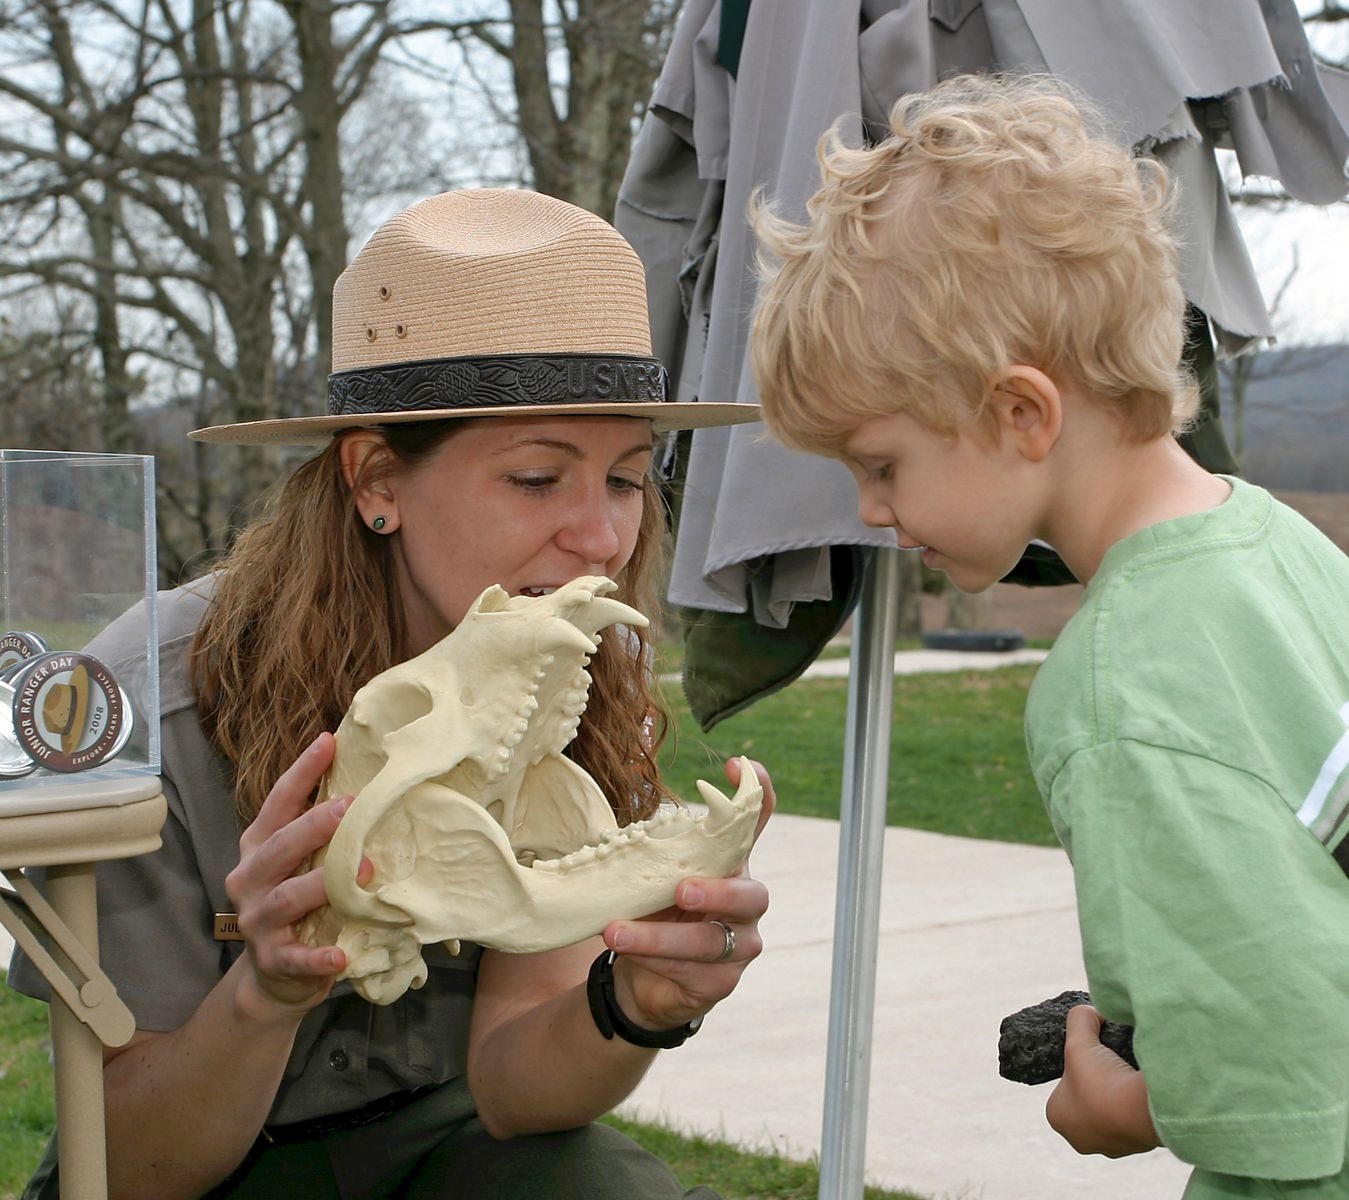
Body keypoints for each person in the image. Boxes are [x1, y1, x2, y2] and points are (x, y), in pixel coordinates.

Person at [8, 187, 773, 1199]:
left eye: (627, 479)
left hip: (441, 1149)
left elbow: (512, 1091)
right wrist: (265, 990)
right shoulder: (159, 695)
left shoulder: (568, 667)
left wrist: (634, 1000)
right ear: (375, 480)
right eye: (539, 480)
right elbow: (130, 1168)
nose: (600, 538)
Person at [747, 72, 1349, 1197]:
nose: (871, 512)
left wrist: (1134, 1102)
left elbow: (1276, 1076)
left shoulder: (1119, 691)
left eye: (881, 466)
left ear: (1020, 413)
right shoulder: (1280, 549)